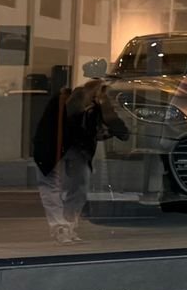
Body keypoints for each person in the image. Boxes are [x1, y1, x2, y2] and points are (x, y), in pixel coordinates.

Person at [30, 78, 129, 245]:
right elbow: (110, 123)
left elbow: (104, 126)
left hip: (68, 149)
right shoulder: (73, 103)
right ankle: (62, 227)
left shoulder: (86, 107)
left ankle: (65, 227)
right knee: (61, 187)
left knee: (73, 188)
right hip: (54, 148)